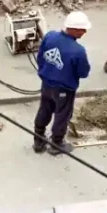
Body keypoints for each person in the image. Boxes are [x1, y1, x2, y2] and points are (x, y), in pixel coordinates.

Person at [34, 11, 91, 155]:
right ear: (73, 29)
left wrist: (46, 72)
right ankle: (57, 144)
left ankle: (38, 141)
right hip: (64, 89)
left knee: (44, 109)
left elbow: (40, 57)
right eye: (82, 29)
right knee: (62, 115)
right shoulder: (78, 51)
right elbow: (83, 73)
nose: (84, 32)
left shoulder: (49, 36)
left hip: (46, 83)